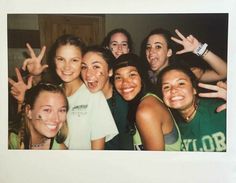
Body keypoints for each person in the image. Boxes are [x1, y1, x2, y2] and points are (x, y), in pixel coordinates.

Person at [9, 34, 118, 150]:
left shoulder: (94, 97)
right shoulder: (53, 94)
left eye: (74, 60)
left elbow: (97, 152)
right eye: (61, 59)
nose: (67, 67)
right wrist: (25, 97)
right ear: (54, 61)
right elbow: (25, 130)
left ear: (82, 62)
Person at [113, 53, 182, 151]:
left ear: (142, 77)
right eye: (118, 77)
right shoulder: (141, 101)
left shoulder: (146, 110)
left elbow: (153, 162)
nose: (125, 83)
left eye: (132, 75)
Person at [158, 64, 226, 152]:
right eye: (166, 87)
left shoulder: (221, 109)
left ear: (194, 89)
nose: (173, 90)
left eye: (181, 83)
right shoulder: (170, 126)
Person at [81, 46, 133, 150]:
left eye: (96, 67)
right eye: (84, 67)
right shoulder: (83, 97)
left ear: (110, 71)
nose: (88, 74)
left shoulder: (123, 102)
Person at [142, 28, 227, 85]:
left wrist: (199, 49)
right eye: (148, 47)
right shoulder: (142, 77)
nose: (151, 51)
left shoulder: (186, 74)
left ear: (169, 52)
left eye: (158, 46)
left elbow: (224, 72)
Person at [9, 82, 68, 150]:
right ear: (29, 111)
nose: (56, 119)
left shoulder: (61, 149)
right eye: (47, 110)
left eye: (61, 110)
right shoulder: (7, 141)